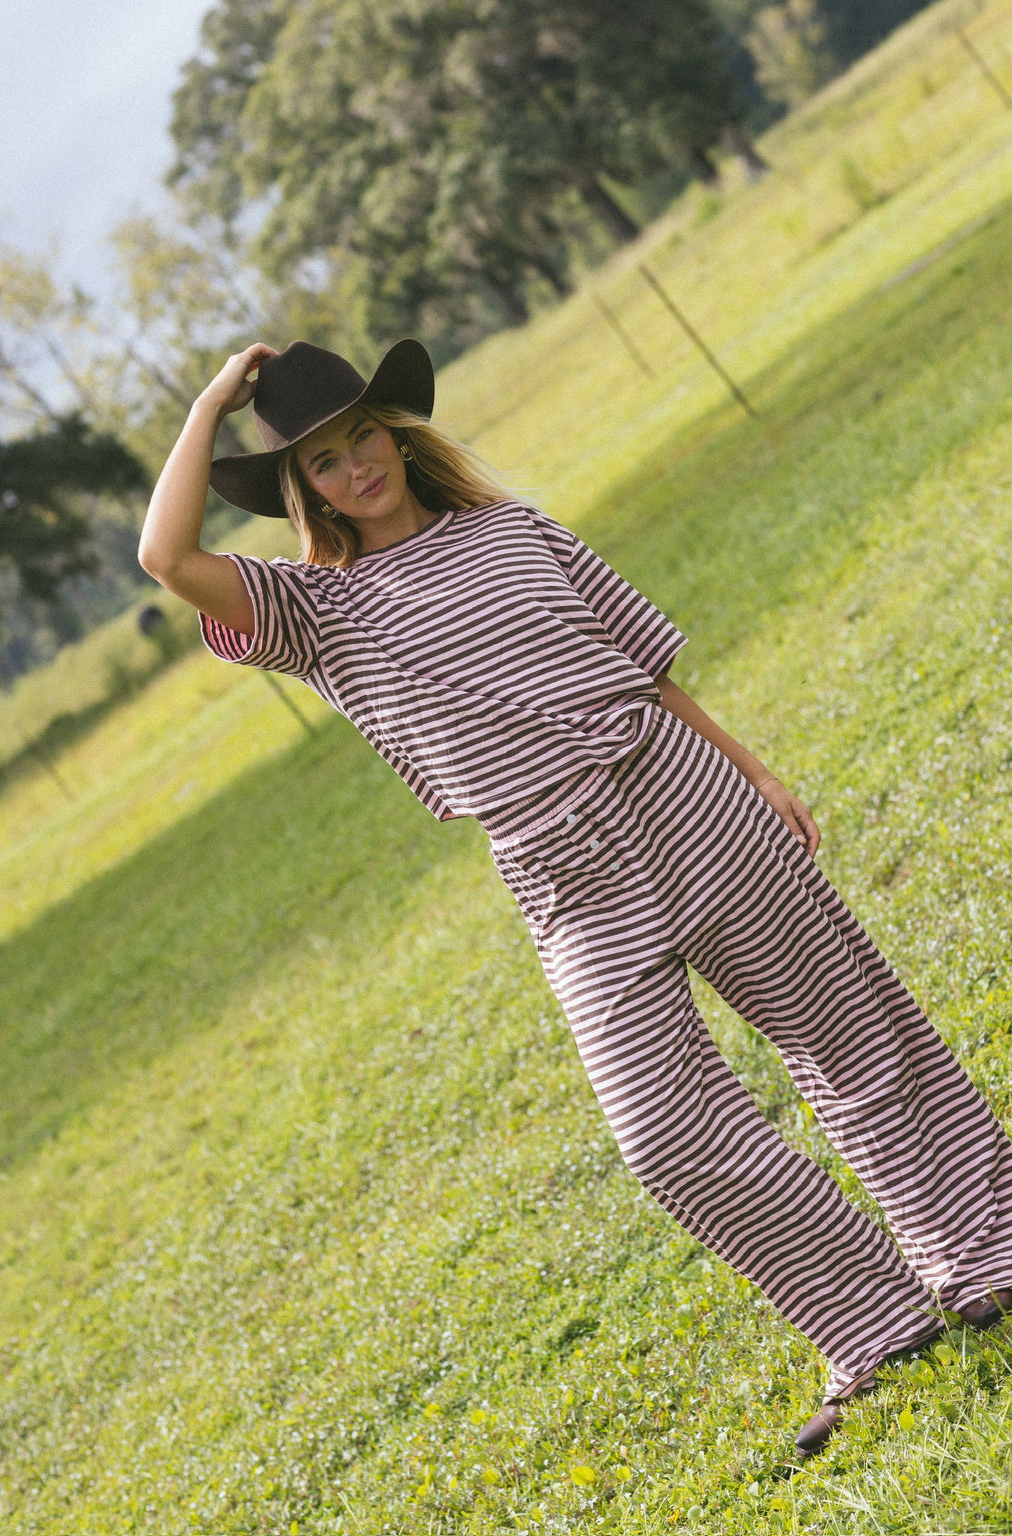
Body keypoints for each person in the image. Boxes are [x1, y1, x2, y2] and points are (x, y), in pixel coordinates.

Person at [139, 337, 1012, 1458]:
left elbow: (642, 665)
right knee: (662, 1135)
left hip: (682, 793)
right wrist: (214, 401)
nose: (355, 466)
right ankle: (878, 1323)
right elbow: (167, 555)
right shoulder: (313, 612)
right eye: (322, 461)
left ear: (395, 433)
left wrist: (753, 770)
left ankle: (984, 1253)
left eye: (364, 436)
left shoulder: (513, 528)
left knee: (848, 1037)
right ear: (302, 489)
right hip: (560, 873)